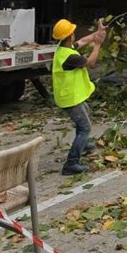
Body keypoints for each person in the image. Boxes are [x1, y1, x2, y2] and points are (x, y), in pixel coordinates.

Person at [51, 17, 106, 176]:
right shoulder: (70, 57)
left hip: (72, 96)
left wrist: (97, 33)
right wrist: (97, 44)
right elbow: (91, 62)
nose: (75, 35)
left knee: (85, 115)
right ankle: (72, 163)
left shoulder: (63, 49)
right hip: (71, 98)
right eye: (73, 33)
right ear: (70, 36)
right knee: (84, 127)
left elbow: (81, 42)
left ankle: (85, 145)